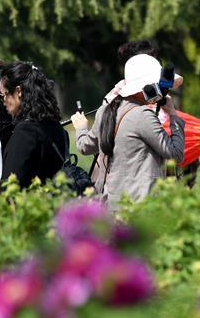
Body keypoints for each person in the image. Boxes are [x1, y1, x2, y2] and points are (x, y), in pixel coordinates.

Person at [72, 54, 185, 205]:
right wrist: (173, 114)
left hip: (111, 202)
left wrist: (81, 128)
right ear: (147, 85)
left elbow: (85, 147)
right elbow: (176, 154)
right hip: (139, 205)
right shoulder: (142, 115)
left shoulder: (104, 111)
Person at [0, 63, 67, 187]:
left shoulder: (25, 132)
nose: (3, 101)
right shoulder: (55, 125)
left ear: (19, 91)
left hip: (31, 203)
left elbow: (11, 184)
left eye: (5, 94)